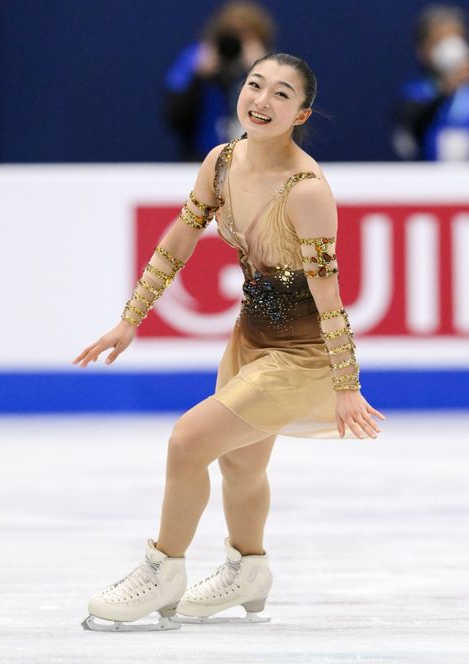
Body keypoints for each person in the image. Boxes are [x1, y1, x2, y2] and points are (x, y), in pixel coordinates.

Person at [74, 52, 385, 632]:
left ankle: (163, 568)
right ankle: (249, 569)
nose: (262, 100)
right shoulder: (220, 162)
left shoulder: (307, 190)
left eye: (281, 95)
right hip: (249, 341)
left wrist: (346, 384)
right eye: (255, 85)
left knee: (188, 441)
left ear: (301, 113)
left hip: (300, 357)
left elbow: (329, 295)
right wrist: (130, 318)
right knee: (241, 466)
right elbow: (179, 240)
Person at [164, 1, 275, 161]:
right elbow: (174, 119)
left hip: (256, 162)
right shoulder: (195, 59)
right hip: (200, 160)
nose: (237, 44)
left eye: (247, 37)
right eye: (232, 36)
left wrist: (262, 71)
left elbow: (286, 122)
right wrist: (198, 77)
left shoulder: (274, 66)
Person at [392, 3, 469, 161]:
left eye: (455, 39)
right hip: (433, 182)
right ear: (423, 50)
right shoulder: (415, 94)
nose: (450, 48)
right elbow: (406, 144)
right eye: (440, 41)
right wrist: (445, 89)